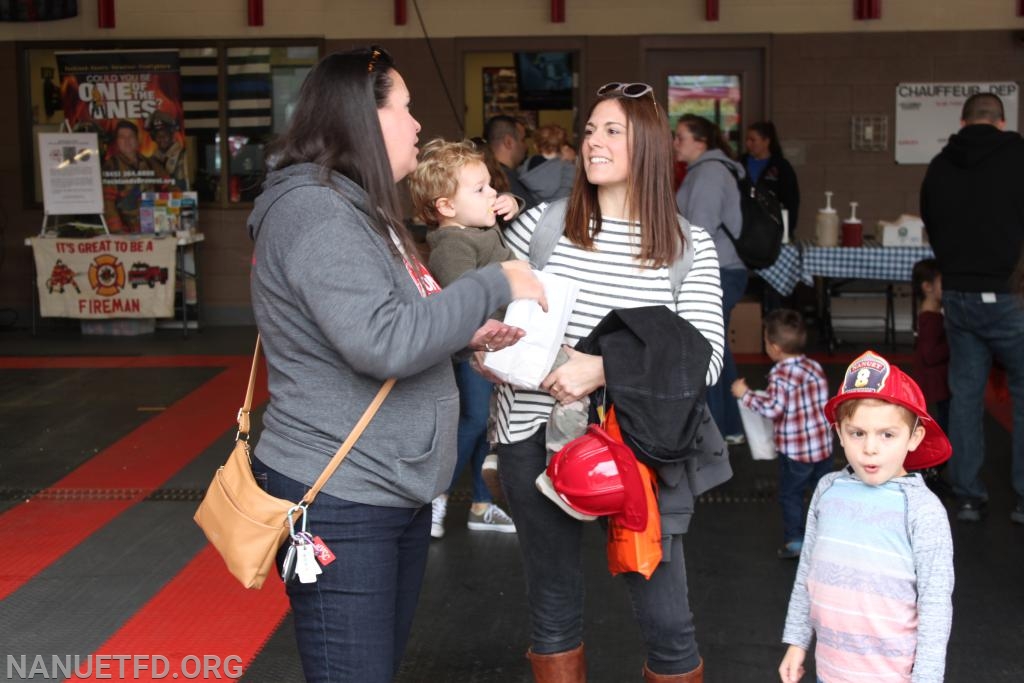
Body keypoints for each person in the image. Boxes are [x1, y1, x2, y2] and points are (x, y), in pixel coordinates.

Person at [245, 46, 545, 683]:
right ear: (362, 119)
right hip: (342, 496)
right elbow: (382, 342)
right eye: (405, 109)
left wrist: (468, 335)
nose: (416, 125)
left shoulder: (356, 208)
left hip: (386, 488)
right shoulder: (317, 214)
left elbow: (401, 319)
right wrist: (495, 283)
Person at [494, 82, 725, 683]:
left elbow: (708, 359)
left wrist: (601, 368)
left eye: (612, 131)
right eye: (590, 130)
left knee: (668, 620)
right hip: (532, 435)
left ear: (646, 145)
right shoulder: (539, 229)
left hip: (641, 447)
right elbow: (487, 316)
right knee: (552, 608)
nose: (593, 142)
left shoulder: (685, 246)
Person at [779, 350, 954, 683]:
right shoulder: (827, 490)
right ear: (839, 433)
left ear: (914, 437)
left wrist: (928, 677)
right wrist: (797, 642)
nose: (870, 448)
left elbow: (935, 603)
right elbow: (807, 575)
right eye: (857, 433)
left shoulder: (922, 509)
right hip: (829, 672)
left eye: (887, 435)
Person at [407, 137, 520, 538]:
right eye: (481, 189)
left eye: (491, 185)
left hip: (496, 346)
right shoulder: (453, 246)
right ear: (446, 207)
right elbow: (464, 309)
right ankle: (435, 496)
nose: (494, 194)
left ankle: (480, 502)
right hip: (477, 352)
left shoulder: (475, 229)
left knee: (482, 426)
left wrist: (512, 205)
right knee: (472, 423)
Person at [919, 92, 1024, 524]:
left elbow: (931, 221)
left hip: (958, 295)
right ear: (1001, 121)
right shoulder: (1018, 156)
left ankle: (967, 496)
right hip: (1011, 293)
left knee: (965, 396)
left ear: (963, 122)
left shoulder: (941, 165)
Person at [731, 309, 831, 560]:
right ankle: (827, 536)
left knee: (791, 494)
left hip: (796, 452)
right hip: (822, 447)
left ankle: (796, 541)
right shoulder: (814, 366)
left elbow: (773, 408)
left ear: (774, 347)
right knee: (824, 493)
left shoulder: (779, 374)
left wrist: (745, 394)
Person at [673, 114, 746, 446]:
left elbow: (699, 229)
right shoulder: (708, 171)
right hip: (722, 268)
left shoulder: (709, 174)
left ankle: (717, 427)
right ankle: (729, 425)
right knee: (718, 348)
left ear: (700, 142)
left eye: (681, 137)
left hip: (716, 269)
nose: (676, 143)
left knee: (707, 347)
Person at [101, 119, 166, 232]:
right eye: (122, 137)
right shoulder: (111, 166)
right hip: (127, 231)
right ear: (117, 141)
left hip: (153, 225)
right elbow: (108, 204)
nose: (127, 141)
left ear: (137, 140)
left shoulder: (150, 164)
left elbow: (169, 184)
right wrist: (119, 232)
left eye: (131, 136)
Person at [740, 121, 800, 236]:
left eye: (753, 140)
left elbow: (791, 200)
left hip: (771, 228)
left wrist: (787, 229)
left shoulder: (781, 167)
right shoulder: (740, 164)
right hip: (743, 226)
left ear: (766, 142)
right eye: (747, 140)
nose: (748, 144)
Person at [484, 114, 539, 210]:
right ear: (508, 142)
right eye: (523, 140)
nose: (526, 146)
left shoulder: (485, 174)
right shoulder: (503, 179)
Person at [517, 123, 576, 202]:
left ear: (535, 146)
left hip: (536, 211)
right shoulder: (567, 167)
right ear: (563, 145)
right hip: (562, 209)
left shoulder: (527, 165)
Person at [146, 110, 188, 190]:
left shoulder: (182, 155)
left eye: (165, 135)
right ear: (153, 137)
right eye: (158, 136)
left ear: (171, 135)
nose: (161, 139)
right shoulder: (152, 159)